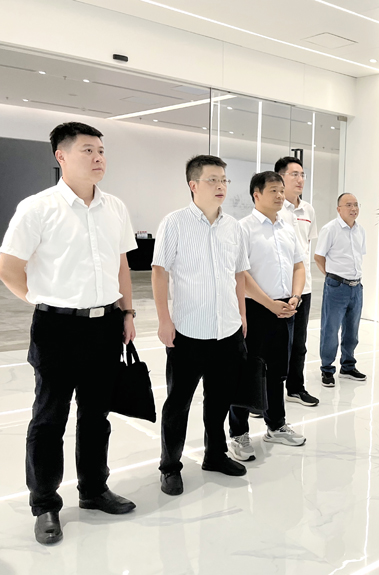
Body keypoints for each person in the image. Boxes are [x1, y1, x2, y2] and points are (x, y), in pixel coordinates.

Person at [0, 122, 137, 545]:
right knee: (49, 418)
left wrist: (127, 312)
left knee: (96, 416)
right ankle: (44, 504)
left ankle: (94, 490)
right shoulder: (37, 207)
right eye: (87, 150)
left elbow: (121, 265)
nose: (98, 158)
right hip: (56, 327)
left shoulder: (115, 207)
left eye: (101, 150)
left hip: (105, 325)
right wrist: (41, 299)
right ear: (61, 156)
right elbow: (8, 266)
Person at [152, 155, 250, 496]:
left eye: (224, 180)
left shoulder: (233, 227)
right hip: (188, 332)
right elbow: (159, 272)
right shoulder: (175, 223)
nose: (221, 185)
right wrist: (164, 320)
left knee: (219, 399)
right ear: (193, 185)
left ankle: (215, 455)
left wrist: (242, 316)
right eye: (212, 180)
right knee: (178, 403)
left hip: (228, 330)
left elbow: (239, 275)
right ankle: (170, 466)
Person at [228, 171, 307, 460]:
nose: (280, 195)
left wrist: (295, 296)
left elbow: (299, 265)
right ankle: (238, 433)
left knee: (277, 371)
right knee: (246, 372)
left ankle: (276, 425)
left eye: (281, 190)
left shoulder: (287, 227)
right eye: (273, 190)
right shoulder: (243, 228)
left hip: (285, 309)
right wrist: (269, 303)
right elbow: (241, 273)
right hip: (255, 309)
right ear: (256, 194)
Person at [277, 156, 320, 407]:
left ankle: (295, 388)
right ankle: (265, 394)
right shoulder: (275, 208)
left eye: (302, 174)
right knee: (275, 344)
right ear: (280, 177)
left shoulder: (308, 210)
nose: (300, 179)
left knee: (299, 343)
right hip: (277, 287)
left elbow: (306, 247)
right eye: (294, 174)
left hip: (304, 287)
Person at [314, 193, 367, 387]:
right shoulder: (330, 229)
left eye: (356, 205)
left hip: (356, 286)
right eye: (348, 205)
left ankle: (348, 366)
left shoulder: (360, 230)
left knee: (352, 330)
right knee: (330, 329)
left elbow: (359, 256)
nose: (353, 209)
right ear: (339, 209)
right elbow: (318, 256)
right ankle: (327, 369)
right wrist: (330, 276)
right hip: (336, 286)